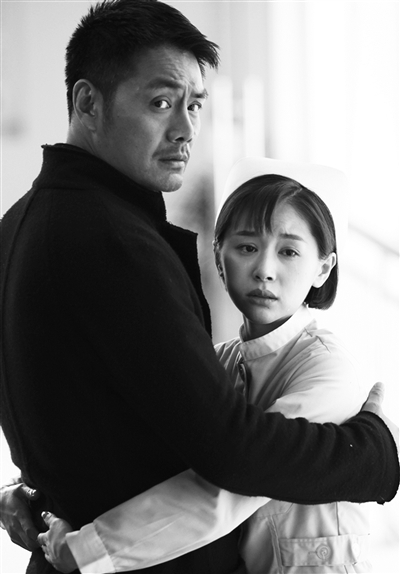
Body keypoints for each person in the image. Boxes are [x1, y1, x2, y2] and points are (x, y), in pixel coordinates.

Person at [0, 1, 398, 573]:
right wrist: (373, 457)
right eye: (161, 103)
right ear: (88, 103)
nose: (186, 130)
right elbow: (229, 451)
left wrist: (37, 501)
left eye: (194, 105)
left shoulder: (20, 222)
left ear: (323, 266)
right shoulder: (111, 238)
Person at [35, 158, 375, 574]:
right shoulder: (219, 360)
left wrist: (87, 548)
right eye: (246, 247)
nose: (264, 270)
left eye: (288, 251)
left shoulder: (327, 369)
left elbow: (231, 488)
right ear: (218, 257)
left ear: (323, 268)